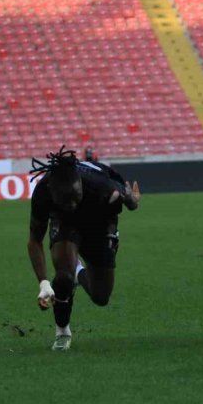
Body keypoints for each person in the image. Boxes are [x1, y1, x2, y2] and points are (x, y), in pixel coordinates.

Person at [28, 147, 140, 351]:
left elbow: (130, 201)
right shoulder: (43, 191)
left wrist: (132, 200)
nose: (71, 204)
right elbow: (35, 240)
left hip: (98, 221)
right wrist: (43, 283)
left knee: (101, 297)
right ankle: (62, 332)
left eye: (74, 197)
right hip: (65, 223)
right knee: (62, 278)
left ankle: (78, 272)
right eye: (64, 200)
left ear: (80, 184)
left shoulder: (103, 186)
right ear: (53, 191)